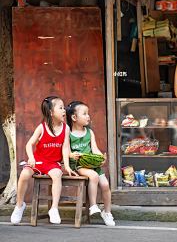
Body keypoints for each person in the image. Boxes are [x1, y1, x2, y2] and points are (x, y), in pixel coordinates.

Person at [11, 96, 76, 225]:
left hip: (53, 164)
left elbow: (65, 148)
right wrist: (31, 157)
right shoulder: (42, 127)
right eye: (60, 108)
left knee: (57, 175)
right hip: (38, 161)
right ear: (51, 112)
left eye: (64, 108)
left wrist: (67, 166)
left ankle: (54, 208)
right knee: (24, 175)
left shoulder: (65, 128)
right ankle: (19, 205)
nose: (64, 111)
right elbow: (29, 144)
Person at [66, 101, 115, 227]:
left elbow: (95, 149)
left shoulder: (89, 133)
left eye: (88, 114)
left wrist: (100, 157)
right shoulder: (68, 134)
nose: (88, 116)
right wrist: (71, 155)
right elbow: (65, 151)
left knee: (105, 185)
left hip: (92, 164)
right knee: (93, 176)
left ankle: (107, 212)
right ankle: (93, 205)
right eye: (84, 114)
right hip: (78, 165)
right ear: (74, 117)